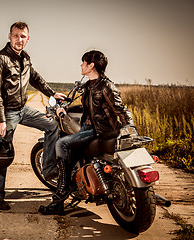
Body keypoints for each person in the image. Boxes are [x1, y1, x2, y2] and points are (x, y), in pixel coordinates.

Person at [38, 50, 135, 215]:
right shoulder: (90, 86)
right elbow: (87, 108)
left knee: (62, 143)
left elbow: (120, 108)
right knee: (71, 147)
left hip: (99, 131)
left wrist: (129, 127)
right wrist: (66, 109)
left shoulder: (106, 86)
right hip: (89, 128)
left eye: (83, 62)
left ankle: (62, 191)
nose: (81, 65)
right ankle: (74, 180)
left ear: (91, 66)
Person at [0, 22, 66, 210]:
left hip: (23, 109)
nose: (19, 39)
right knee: (2, 152)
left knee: (52, 125)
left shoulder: (25, 59)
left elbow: (35, 78)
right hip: (7, 113)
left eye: (23, 36)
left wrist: (51, 93)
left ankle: (48, 170)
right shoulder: (0, 59)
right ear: (9, 36)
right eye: (16, 36)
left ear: (27, 38)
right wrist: (0, 119)